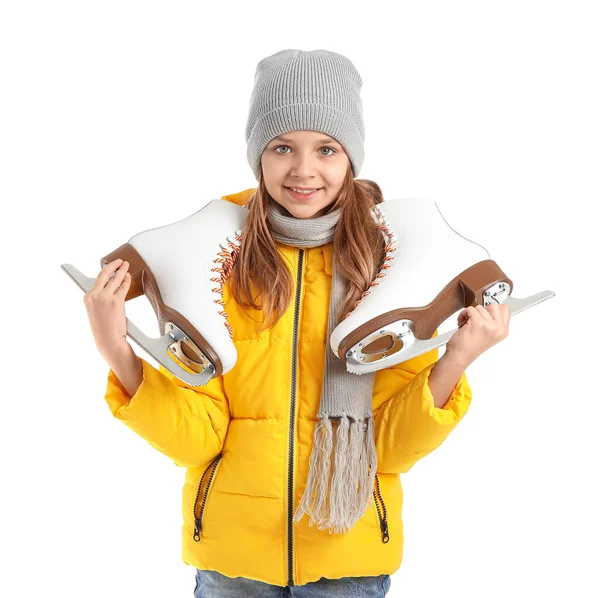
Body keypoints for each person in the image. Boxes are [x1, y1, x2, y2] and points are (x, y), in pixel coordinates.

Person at [83, 49, 511, 597]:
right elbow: (199, 441)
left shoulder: (390, 267)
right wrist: (117, 349)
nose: (303, 170)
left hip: (348, 564)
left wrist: (456, 357)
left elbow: (391, 449)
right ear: (258, 156)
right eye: (282, 147)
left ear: (351, 157)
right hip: (232, 568)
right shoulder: (219, 264)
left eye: (326, 149)